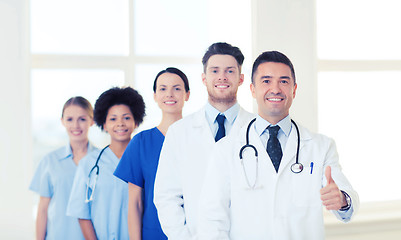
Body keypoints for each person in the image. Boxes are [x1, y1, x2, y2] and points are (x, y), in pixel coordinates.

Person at [197, 51, 359, 240]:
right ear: (252, 89)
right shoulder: (226, 149)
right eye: (266, 81)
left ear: (294, 90)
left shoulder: (321, 147)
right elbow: (212, 218)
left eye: (283, 81)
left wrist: (341, 200)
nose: (275, 89)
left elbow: (348, 202)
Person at [153, 42, 254, 239]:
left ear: (241, 78)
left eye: (230, 71)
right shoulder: (179, 132)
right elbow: (166, 197)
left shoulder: (258, 129)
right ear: (204, 78)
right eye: (215, 70)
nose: (222, 77)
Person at [114, 67, 190, 240]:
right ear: (155, 96)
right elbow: (135, 203)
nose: (169, 94)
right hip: (153, 234)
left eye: (177, 88)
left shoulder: (199, 138)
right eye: (163, 89)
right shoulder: (140, 143)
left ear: (187, 94)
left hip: (194, 233)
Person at [66, 87, 145, 240]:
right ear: (104, 123)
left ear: (136, 121)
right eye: (113, 119)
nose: (120, 123)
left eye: (126, 118)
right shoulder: (89, 164)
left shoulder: (144, 161)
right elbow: (82, 213)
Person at [29, 96, 96, 240]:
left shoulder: (102, 160)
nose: (76, 126)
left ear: (92, 121)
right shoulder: (50, 161)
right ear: (62, 122)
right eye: (70, 119)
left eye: (82, 119)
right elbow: (42, 210)